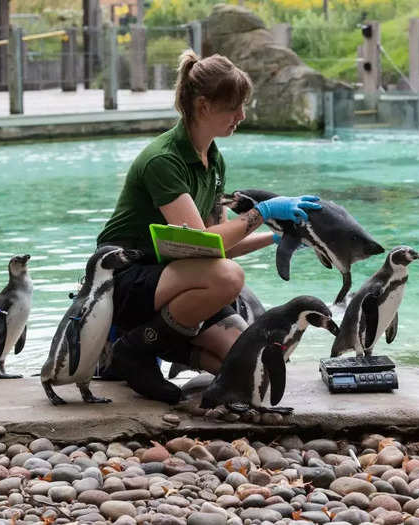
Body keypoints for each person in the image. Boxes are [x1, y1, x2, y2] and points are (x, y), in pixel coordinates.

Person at [96, 50, 321, 404]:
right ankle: (135, 351)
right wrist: (263, 211)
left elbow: (222, 244)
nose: (242, 116)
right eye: (234, 107)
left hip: (176, 278)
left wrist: (278, 236)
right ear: (203, 107)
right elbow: (204, 243)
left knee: (253, 364)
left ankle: (170, 347)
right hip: (126, 277)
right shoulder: (164, 160)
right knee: (228, 277)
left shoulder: (213, 159)